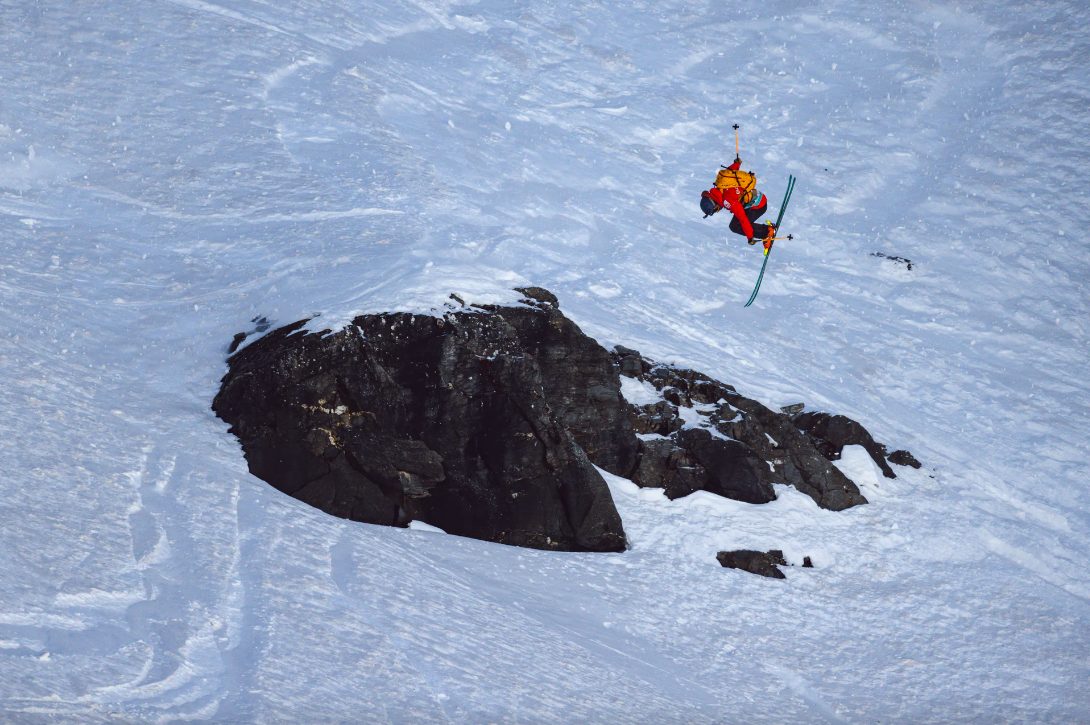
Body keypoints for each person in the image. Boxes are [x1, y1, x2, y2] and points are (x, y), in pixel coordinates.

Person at [699, 157, 777, 250]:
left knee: (736, 226)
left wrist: (750, 237)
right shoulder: (720, 184)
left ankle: (768, 232)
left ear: (715, 205)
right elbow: (730, 172)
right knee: (734, 225)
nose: (718, 211)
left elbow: (743, 218)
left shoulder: (728, 201)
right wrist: (737, 164)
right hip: (755, 201)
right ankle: (766, 230)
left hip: (759, 206)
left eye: (715, 210)